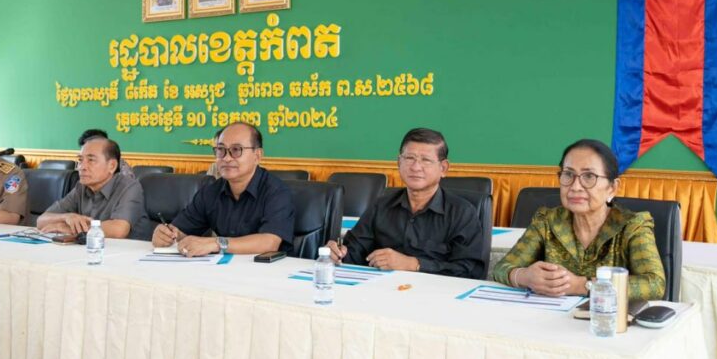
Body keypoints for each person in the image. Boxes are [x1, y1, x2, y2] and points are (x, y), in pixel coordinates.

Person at [492, 139, 666, 299]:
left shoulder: (633, 226)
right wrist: (525, 277)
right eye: (568, 174)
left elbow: (654, 284)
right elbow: (502, 268)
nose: (575, 187)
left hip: (608, 319)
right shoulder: (547, 221)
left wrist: (580, 285)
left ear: (612, 188)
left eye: (589, 176)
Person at [327, 128, 485, 277]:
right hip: (382, 291)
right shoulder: (381, 206)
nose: (416, 167)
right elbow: (354, 252)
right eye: (409, 158)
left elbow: (471, 271)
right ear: (399, 162)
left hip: (435, 294)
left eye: (426, 160)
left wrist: (414, 264)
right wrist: (337, 253)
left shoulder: (462, 213)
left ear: (443, 168)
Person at [151, 122, 294, 256]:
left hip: (268, 270)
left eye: (236, 150)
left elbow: (270, 242)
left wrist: (217, 243)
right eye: (221, 150)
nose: (226, 158)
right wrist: (166, 234)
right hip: (224, 268)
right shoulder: (210, 191)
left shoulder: (277, 192)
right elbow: (181, 230)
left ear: (257, 156)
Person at [37, 136, 148, 239]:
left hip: (126, 251)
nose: (82, 167)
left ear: (112, 166)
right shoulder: (81, 187)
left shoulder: (130, 187)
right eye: (80, 160)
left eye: (91, 160)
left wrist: (70, 229)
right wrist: (66, 217)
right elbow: (41, 221)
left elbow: (118, 229)